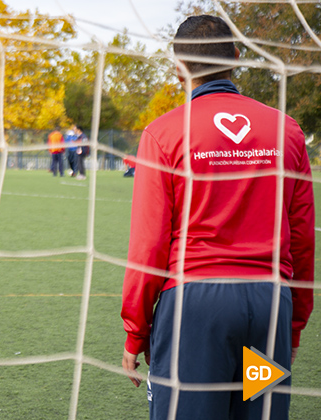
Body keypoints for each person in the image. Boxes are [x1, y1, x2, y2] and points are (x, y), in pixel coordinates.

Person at [120, 15, 314, 420]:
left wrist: (135, 331)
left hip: (195, 309)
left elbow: (148, 244)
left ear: (178, 66)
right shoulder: (288, 131)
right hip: (269, 309)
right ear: (237, 57)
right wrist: (293, 321)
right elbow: (302, 238)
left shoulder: (163, 133)